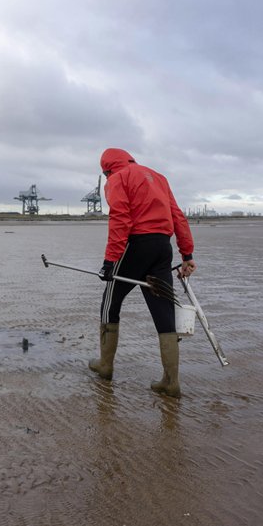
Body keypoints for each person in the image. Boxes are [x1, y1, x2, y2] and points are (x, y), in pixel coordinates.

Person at [88, 148, 196, 398]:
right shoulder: (158, 177)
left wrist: (109, 260)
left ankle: (105, 366)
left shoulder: (118, 178)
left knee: (109, 302)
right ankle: (171, 382)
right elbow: (178, 217)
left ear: (106, 169)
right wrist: (187, 255)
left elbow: (120, 219)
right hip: (162, 248)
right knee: (163, 311)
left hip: (137, 246)